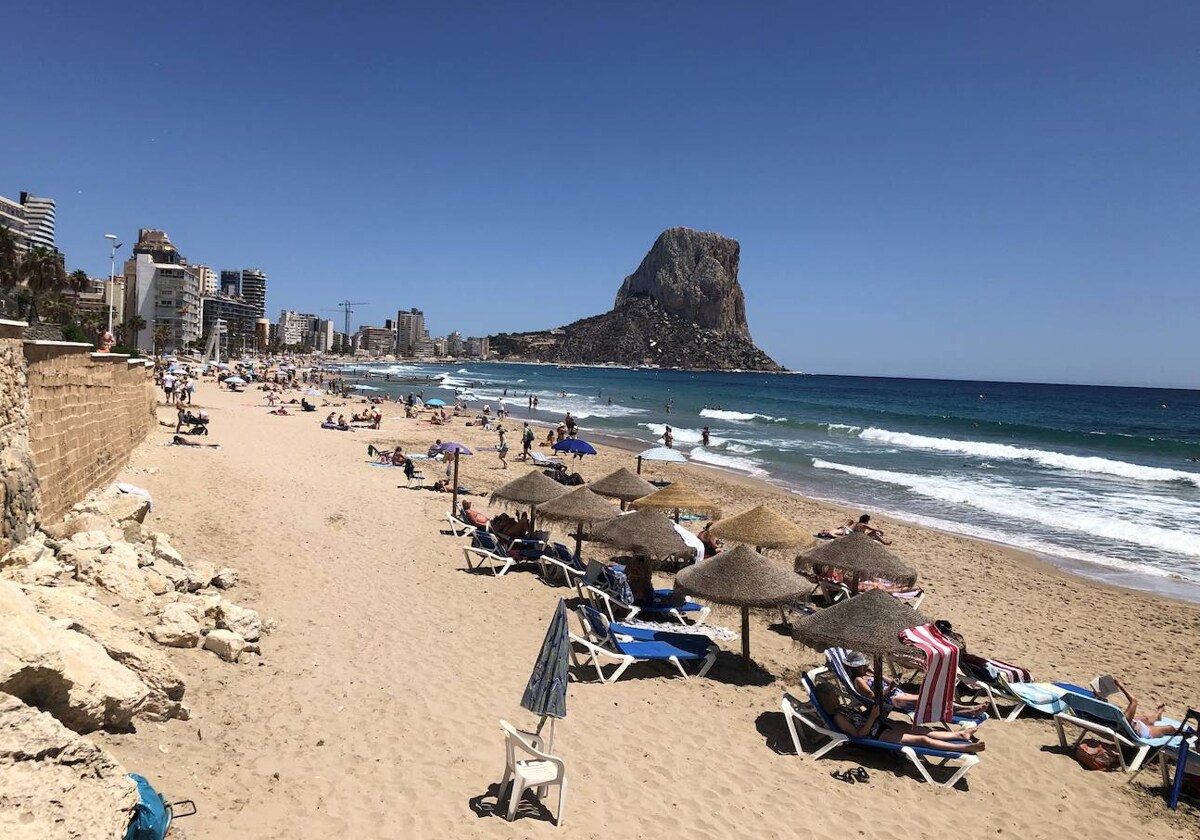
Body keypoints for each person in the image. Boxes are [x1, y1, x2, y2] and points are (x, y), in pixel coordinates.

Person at [812, 682, 984, 754]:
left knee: (921, 729)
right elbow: (859, 735)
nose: (836, 696)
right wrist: (872, 717)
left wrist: (873, 713)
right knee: (923, 739)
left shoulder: (841, 708)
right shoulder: (838, 718)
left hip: (881, 724)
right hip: (877, 733)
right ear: (827, 699)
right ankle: (963, 748)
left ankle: (960, 735)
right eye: (833, 695)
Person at [843, 652, 988, 717]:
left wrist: (877, 674)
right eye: (863, 665)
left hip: (898, 694)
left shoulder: (867, 674)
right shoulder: (858, 681)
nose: (865, 666)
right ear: (856, 668)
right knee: (928, 700)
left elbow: (887, 681)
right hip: (892, 700)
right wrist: (891, 688)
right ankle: (968, 709)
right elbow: (875, 697)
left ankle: (968, 711)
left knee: (931, 702)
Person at [1110, 678, 1178, 738]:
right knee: (1170, 728)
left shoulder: (1106, 715)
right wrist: (1121, 686)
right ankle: (1184, 732)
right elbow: (1134, 701)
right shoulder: (1124, 719)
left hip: (1131, 726)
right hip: (1142, 732)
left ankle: (1158, 713)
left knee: (1146, 719)